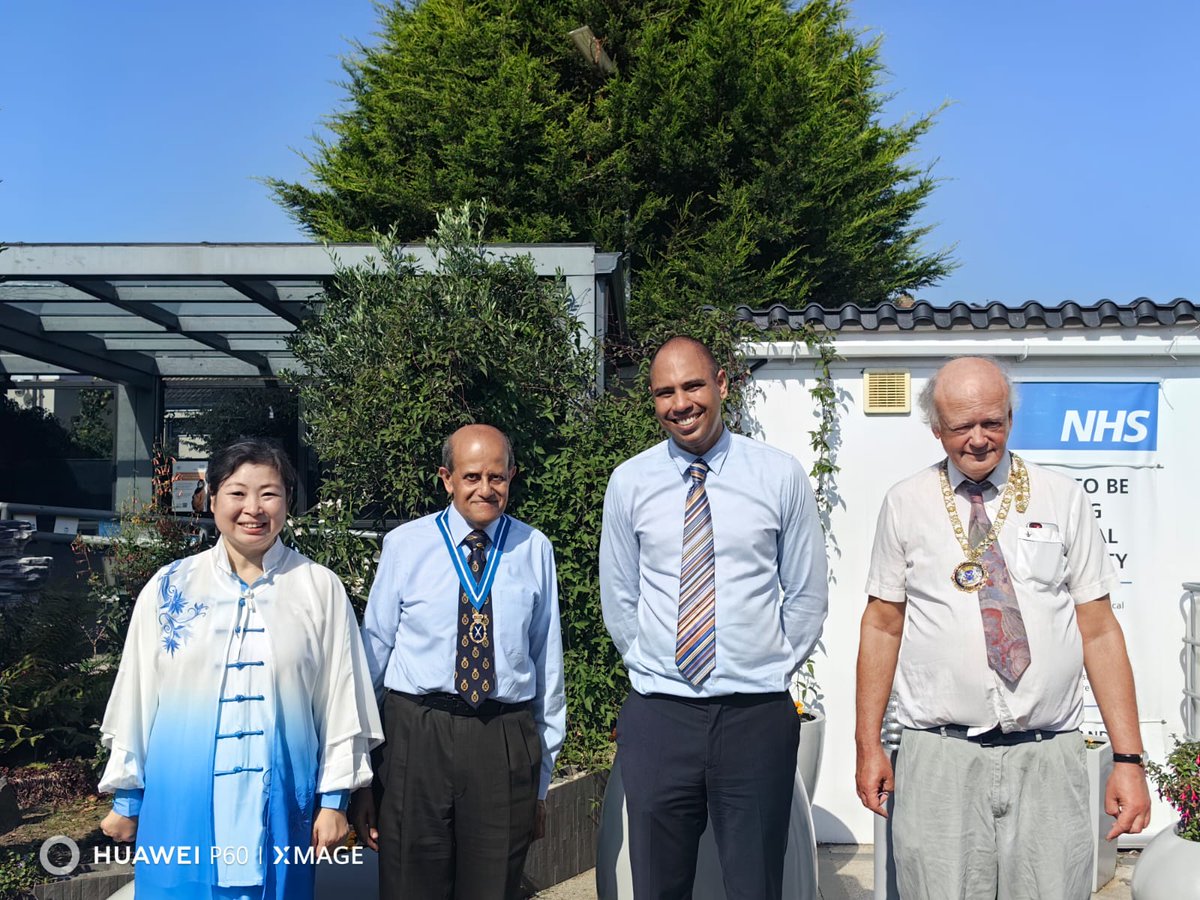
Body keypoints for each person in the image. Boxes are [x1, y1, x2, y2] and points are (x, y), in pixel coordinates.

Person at [855, 356, 1151, 899]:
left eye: (991, 422)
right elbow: (881, 625)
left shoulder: (1062, 498)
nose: (977, 440)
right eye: (960, 426)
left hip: (1048, 757)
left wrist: (1128, 759)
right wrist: (867, 742)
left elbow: (1100, 630)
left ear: (1011, 418)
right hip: (939, 758)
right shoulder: (905, 503)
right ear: (935, 428)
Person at [98, 438, 383, 900]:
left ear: (289, 501)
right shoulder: (169, 587)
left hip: (283, 807)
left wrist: (334, 802)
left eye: (269, 493)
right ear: (211, 498)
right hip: (182, 803)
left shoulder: (318, 588)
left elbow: (341, 701)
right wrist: (127, 800)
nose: (254, 508)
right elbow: (136, 696)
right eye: (237, 493)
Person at [599, 336, 829, 900]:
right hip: (660, 718)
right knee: (656, 886)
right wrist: (652, 665)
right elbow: (620, 596)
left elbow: (805, 596)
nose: (680, 403)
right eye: (664, 392)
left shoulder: (779, 476)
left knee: (755, 885)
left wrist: (763, 664)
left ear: (722, 384)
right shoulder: (630, 482)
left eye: (693, 385)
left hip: (754, 717)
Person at [354, 423, 565, 900]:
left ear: (512, 476)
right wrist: (360, 774)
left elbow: (546, 664)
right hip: (416, 737)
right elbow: (374, 655)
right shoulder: (406, 545)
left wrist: (541, 781)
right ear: (447, 479)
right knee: (409, 883)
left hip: (501, 737)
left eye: (497, 477)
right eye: (472, 477)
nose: (485, 490)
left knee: (492, 889)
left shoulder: (535, 549)